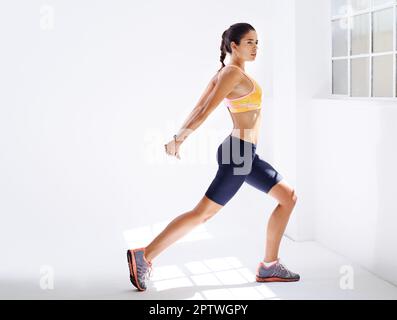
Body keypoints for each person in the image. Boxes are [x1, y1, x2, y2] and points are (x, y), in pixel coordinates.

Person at [127, 23, 300, 292]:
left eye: (257, 42)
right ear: (234, 46)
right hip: (238, 153)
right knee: (202, 214)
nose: (255, 48)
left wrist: (178, 136)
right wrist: (179, 138)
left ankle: (269, 266)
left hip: (245, 154)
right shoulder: (231, 73)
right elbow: (204, 110)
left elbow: (198, 105)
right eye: (249, 42)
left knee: (288, 198)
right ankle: (145, 255)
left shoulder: (228, 73)